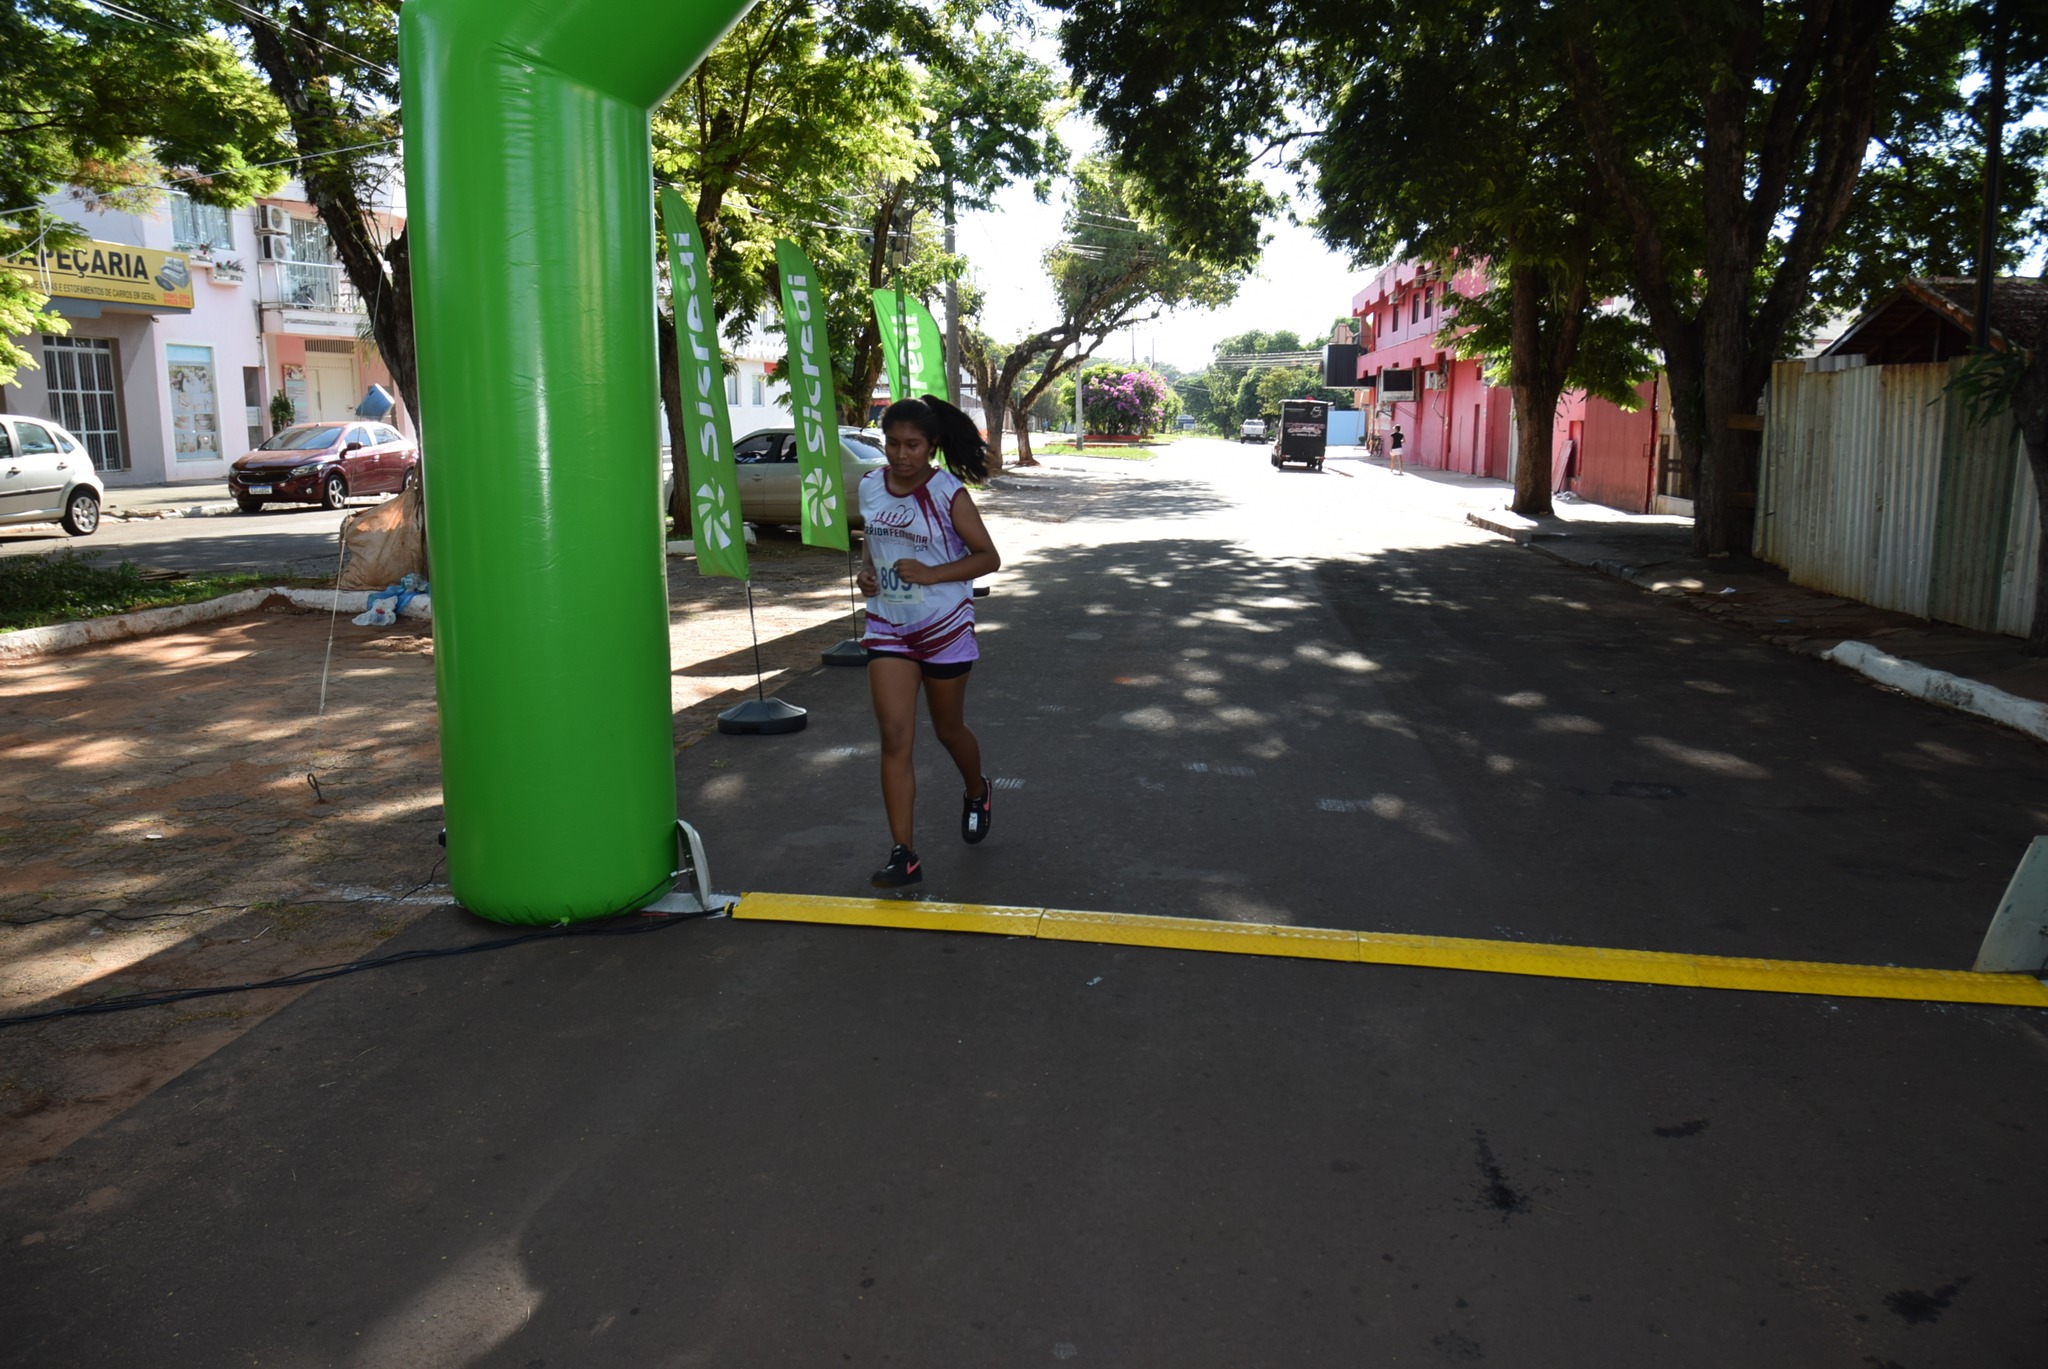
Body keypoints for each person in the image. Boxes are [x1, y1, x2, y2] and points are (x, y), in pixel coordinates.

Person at [855, 395, 1003, 889]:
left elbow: (988, 558)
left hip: (944, 628)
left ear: (932, 445)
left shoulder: (947, 493)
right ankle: (905, 853)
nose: (901, 455)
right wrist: (866, 577)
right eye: (893, 443)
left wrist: (932, 572)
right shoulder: (870, 487)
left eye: (913, 445)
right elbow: (871, 547)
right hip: (888, 627)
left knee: (948, 730)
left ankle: (977, 789)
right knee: (895, 736)